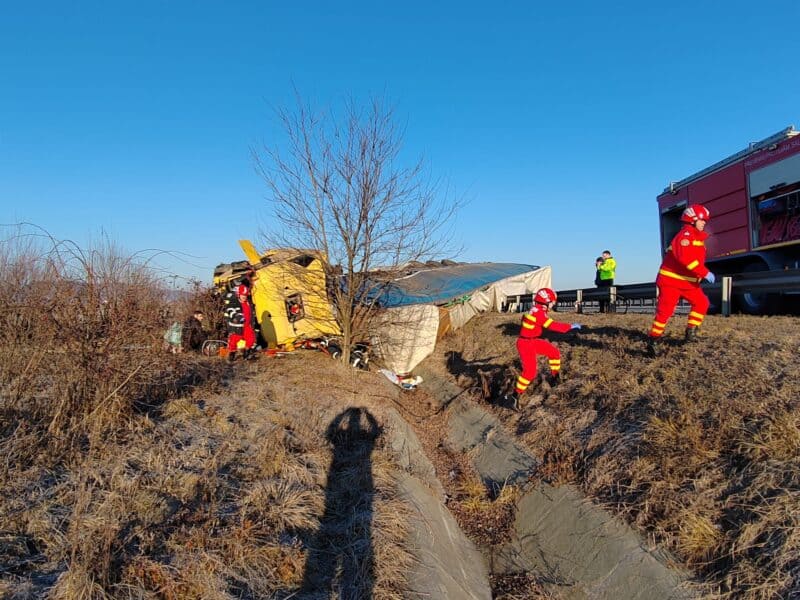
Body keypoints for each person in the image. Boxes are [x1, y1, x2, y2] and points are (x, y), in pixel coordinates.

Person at [646, 204, 714, 357]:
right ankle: (653, 340)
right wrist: (705, 273)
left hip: (688, 282)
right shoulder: (685, 237)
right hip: (671, 281)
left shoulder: (697, 237)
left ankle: (691, 332)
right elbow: (686, 259)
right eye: (702, 220)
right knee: (665, 311)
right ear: (692, 220)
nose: (704, 223)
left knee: (702, 303)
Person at [503, 288, 582, 411]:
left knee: (554, 352)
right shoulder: (538, 312)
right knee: (530, 373)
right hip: (525, 343)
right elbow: (552, 325)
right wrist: (570, 327)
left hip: (532, 340)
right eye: (552, 302)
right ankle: (515, 396)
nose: (553, 304)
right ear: (546, 301)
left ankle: (555, 377)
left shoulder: (537, 309)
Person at [223, 283, 257, 361]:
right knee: (233, 341)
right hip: (238, 326)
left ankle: (246, 354)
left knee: (251, 339)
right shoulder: (234, 302)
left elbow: (251, 313)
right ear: (239, 295)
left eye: (245, 295)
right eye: (242, 295)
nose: (244, 297)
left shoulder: (249, 303)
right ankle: (232, 355)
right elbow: (230, 311)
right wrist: (236, 316)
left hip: (247, 325)